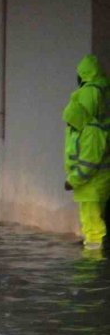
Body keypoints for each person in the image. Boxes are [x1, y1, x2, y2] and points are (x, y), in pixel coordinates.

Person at [63, 55, 110, 250]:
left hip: (91, 185)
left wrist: (73, 180)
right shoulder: (84, 129)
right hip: (90, 186)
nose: (68, 124)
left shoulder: (90, 132)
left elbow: (88, 162)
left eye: (71, 120)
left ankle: (92, 268)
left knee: (93, 230)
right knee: (92, 224)